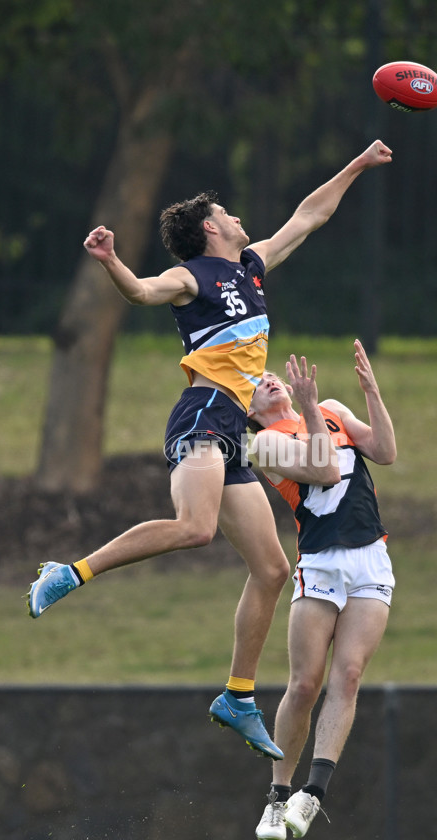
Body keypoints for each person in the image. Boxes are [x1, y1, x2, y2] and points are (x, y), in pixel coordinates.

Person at [24, 141, 393, 762]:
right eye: (228, 213)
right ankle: (69, 572)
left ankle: (237, 696)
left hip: (237, 434)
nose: (240, 218)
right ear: (209, 228)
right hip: (202, 413)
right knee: (194, 529)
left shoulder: (250, 264)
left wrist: (356, 166)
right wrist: (112, 261)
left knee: (274, 569)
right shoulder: (192, 275)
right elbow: (142, 293)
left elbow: (308, 216)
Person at [248, 341, 396, 840]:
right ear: (249, 411)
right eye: (255, 384)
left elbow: (385, 451)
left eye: (269, 373)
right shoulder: (264, 445)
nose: (267, 378)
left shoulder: (333, 408)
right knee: (305, 684)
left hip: (370, 557)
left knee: (348, 676)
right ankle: (277, 796)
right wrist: (309, 408)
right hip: (320, 564)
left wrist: (372, 391)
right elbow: (326, 469)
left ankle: (313, 794)